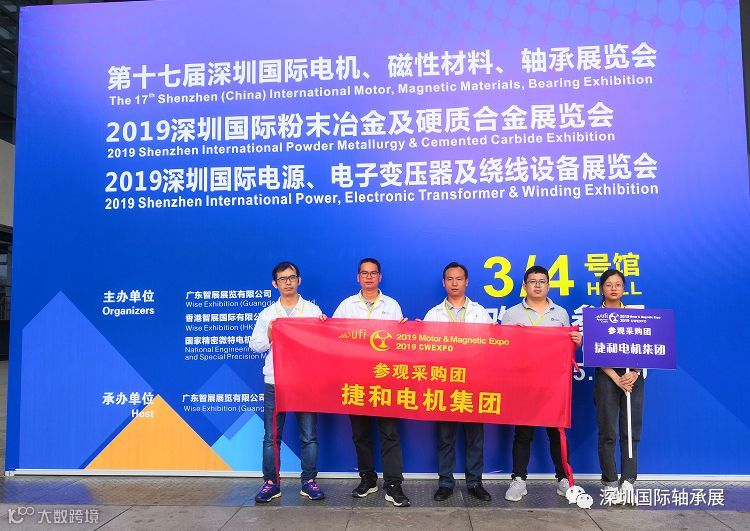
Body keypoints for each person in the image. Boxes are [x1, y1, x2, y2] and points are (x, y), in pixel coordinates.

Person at [332, 258, 411, 507]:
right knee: (360, 433)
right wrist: (323, 325)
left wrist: (406, 330)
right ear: (358, 277)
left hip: (384, 379)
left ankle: (393, 484)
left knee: (389, 433)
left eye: (373, 273)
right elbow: (331, 337)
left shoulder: (392, 305)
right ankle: (368, 478)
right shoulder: (346, 306)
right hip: (355, 379)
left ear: (380, 277)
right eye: (364, 273)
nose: (369, 277)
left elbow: (400, 343)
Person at [500, 265, 582, 502]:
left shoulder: (561, 314)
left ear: (548, 285)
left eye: (542, 281)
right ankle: (519, 479)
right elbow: (503, 348)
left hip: (554, 384)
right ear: (524, 286)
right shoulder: (512, 315)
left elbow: (567, 348)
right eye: (532, 281)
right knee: (523, 433)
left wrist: (576, 342)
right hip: (523, 383)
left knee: (557, 433)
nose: (537, 285)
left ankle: (563, 479)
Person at [249, 261, 326, 503]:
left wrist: (324, 328)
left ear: (299, 280)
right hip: (275, 382)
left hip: (305, 381)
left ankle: (309, 482)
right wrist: (270, 335)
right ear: (275, 284)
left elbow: (324, 344)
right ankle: (271, 483)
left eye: (292, 277)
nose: (288, 282)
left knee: (309, 435)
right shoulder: (268, 314)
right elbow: (255, 345)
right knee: (271, 436)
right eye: (283, 279)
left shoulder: (312, 311)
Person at [423, 262, 494, 502]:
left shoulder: (479, 312)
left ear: (467, 282)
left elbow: (491, 346)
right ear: (444, 282)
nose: (454, 283)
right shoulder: (433, 314)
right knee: (446, 436)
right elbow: (425, 349)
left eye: (459, 279)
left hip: (474, 382)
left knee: (475, 436)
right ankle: (445, 482)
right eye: (450, 279)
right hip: (445, 382)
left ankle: (475, 482)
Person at [594, 269, 644, 503]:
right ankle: (610, 481)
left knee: (631, 431)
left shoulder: (636, 316)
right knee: (608, 432)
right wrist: (616, 377)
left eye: (618, 284)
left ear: (624, 288)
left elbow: (646, 349)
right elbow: (593, 352)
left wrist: (634, 373)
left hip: (633, 378)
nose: (613, 288)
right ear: (601, 288)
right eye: (608, 284)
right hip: (607, 377)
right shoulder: (595, 317)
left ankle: (628, 481)